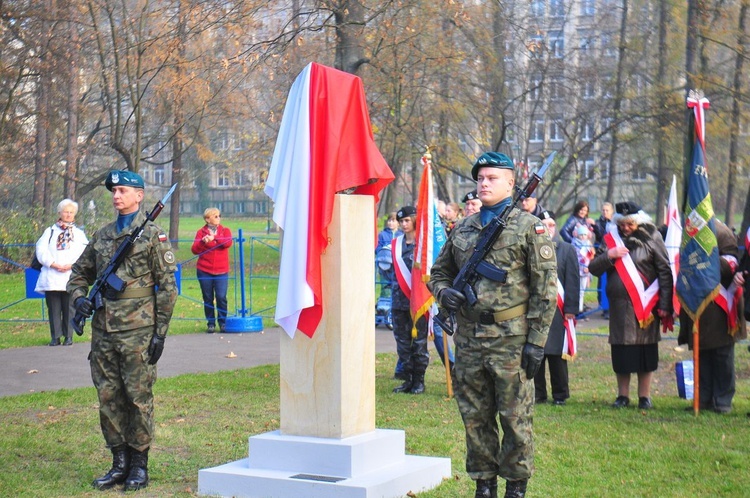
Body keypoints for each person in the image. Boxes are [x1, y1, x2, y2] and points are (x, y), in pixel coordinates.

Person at [428, 151, 557, 498]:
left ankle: (516, 487)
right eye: (480, 179)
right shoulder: (464, 228)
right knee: (475, 417)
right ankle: (483, 485)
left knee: (515, 419)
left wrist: (536, 341)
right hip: (470, 339)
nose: (484, 184)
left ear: (511, 183)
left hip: (511, 340)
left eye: (492, 178)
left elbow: (545, 290)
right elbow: (439, 273)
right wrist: (444, 294)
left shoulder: (529, 228)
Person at [68, 170, 177, 491]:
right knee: (108, 396)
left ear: (139, 195)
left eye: (124, 190)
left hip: (138, 332)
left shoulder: (152, 236)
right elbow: (78, 274)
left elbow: (167, 288)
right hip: (103, 332)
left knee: (138, 399)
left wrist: (160, 334)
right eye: (114, 191)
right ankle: (119, 462)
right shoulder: (101, 236)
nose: (117, 196)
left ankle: (139, 465)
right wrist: (79, 301)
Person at [589, 201, 672, 410]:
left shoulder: (652, 237)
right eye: (622, 224)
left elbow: (664, 271)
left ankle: (645, 397)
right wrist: (610, 255)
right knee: (622, 353)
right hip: (619, 308)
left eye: (630, 224)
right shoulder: (610, 240)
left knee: (646, 353)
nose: (625, 228)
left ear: (639, 222)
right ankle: (622, 396)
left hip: (646, 308)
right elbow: (593, 268)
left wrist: (664, 304)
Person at [680, 219, 746, 413]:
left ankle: (723, 400)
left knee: (722, 356)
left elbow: (732, 264)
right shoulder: (688, 230)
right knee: (702, 354)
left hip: (721, 304)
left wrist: (706, 259)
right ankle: (704, 398)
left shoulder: (722, 231)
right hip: (698, 303)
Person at [534, 210, 579, 406]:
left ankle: (560, 394)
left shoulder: (566, 249)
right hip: (536, 310)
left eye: (551, 225)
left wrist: (570, 308)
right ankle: (538, 394)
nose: (548, 228)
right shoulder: (531, 248)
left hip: (559, 311)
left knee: (557, 355)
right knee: (536, 353)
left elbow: (573, 281)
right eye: (544, 224)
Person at [34, 199, 89, 346]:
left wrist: (71, 265)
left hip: (70, 276)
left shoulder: (78, 234)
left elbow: (84, 252)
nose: (68, 214)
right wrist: (53, 264)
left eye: (71, 212)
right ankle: (55, 337)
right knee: (54, 309)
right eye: (66, 211)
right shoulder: (50, 231)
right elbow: (41, 250)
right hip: (52, 276)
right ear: (60, 213)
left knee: (69, 308)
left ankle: (68, 336)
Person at [390, 205, 430, 395]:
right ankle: (407, 379)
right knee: (403, 344)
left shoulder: (423, 247)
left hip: (417, 302)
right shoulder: (395, 245)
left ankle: (419, 381)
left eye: (407, 220)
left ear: (415, 220)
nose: (404, 224)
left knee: (419, 344)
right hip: (398, 302)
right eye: (401, 221)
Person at [191, 207, 233, 333]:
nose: (218, 218)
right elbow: (194, 250)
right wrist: (203, 242)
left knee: (221, 297)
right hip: (204, 270)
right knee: (208, 297)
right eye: (215, 216)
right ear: (207, 219)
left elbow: (227, 243)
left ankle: (223, 322)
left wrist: (214, 238)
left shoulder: (225, 231)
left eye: (219, 216)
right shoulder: (201, 232)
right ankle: (211, 323)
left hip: (221, 271)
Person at [593, 202, 614, 319]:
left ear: (611, 211)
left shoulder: (616, 223)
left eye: (607, 210)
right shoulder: (598, 223)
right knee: (602, 281)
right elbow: (599, 236)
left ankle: (610, 307)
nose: (605, 212)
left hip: (613, 254)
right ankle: (603, 305)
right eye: (603, 210)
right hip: (602, 253)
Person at [571, 224, 595, 314]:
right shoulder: (573, 243)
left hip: (585, 269)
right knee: (575, 289)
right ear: (577, 235)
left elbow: (591, 255)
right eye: (581, 235)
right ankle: (575, 308)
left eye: (584, 235)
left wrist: (588, 267)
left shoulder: (588, 244)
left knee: (582, 289)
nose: (583, 237)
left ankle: (580, 308)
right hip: (576, 268)